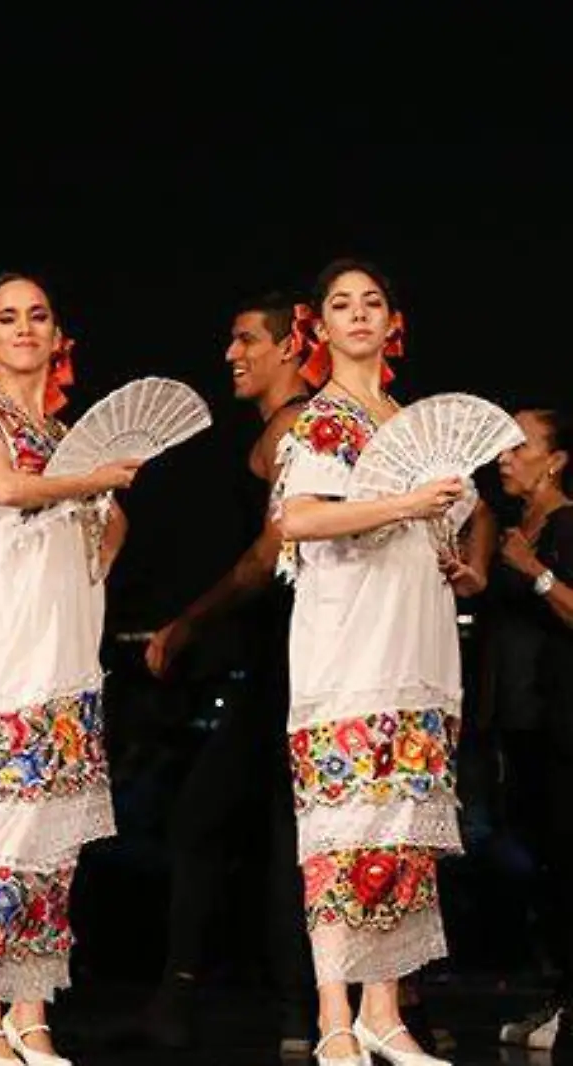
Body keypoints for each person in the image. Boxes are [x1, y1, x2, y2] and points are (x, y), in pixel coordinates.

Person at [0, 274, 139, 1065]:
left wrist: (89, 536)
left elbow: (113, 532)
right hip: (6, 654)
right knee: (8, 826)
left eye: (38, 315)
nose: (24, 328)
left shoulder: (70, 434)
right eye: (7, 318)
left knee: (56, 834)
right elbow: (5, 489)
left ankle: (31, 1011)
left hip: (66, 651)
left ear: (59, 335)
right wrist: (94, 482)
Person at [270, 259, 491, 1066]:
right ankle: (335, 1013)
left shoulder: (406, 419)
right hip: (347, 647)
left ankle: (383, 1012)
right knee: (344, 824)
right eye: (340, 304)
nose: (358, 314)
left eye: (372, 303)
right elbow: (297, 518)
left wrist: (457, 560)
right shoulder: (323, 419)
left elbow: (442, 524)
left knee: (401, 829)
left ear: (393, 321)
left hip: (417, 639)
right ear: (318, 328)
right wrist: (405, 503)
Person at [136, 293, 317, 1055]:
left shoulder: (292, 431)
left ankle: (203, 1000)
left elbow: (265, 559)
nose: (231, 354)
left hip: (289, 660)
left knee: (218, 824)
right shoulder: (289, 427)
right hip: (281, 657)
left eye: (246, 339)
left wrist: (186, 622)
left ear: (287, 348)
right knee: (273, 833)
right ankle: (296, 1012)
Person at [487, 408, 573, 1058]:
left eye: (521, 446)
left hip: (564, 722)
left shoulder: (567, 524)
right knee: (540, 868)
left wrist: (536, 570)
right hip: (519, 725)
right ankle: (558, 992)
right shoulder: (511, 527)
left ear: (557, 459)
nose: (505, 456)